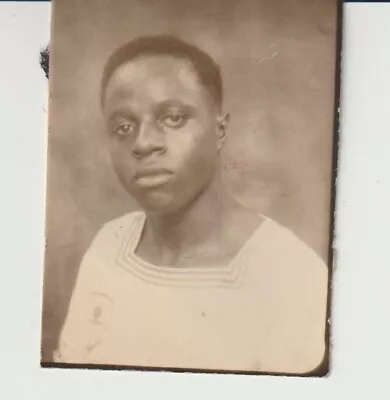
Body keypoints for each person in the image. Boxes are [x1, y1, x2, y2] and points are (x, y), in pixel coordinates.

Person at [54, 35, 328, 374]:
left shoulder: (291, 278)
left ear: (221, 129)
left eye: (173, 118)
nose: (143, 143)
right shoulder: (110, 245)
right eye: (123, 126)